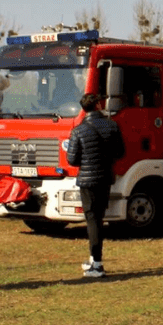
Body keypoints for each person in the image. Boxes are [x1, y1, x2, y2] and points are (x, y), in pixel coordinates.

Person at [66, 93, 124, 278]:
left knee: (92, 219)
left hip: (87, 179)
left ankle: (96, 264)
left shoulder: (78, 130)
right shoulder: (112, 125)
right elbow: (120, 152)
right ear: (98, 105)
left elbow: (72, 160)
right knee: (99, 217)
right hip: (105, 177)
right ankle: (94, 259)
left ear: (83, 109)